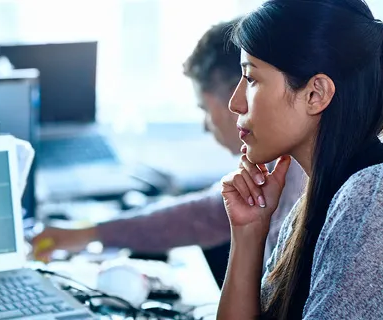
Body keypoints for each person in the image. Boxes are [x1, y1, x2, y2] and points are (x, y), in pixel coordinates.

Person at [218, 0, 383, 319]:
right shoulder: (327, 196)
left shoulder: (378, 199)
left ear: (316, 94)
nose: (235, 103)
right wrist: (249, 232)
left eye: (251, 79)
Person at [29, 20, 306, 276]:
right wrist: (86, 233)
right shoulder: (274, 169)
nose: (206, 126)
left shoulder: (296, 173)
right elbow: (208, 213)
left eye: (204, 109)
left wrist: (86, 233)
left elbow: (202, 217)